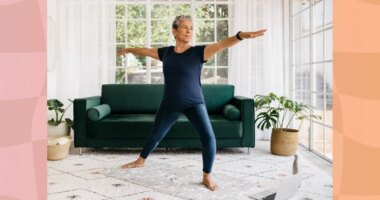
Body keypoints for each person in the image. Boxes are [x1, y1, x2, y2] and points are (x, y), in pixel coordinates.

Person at [117, 15, 266, 191]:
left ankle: (206, 176)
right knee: (156, 134)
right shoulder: (166, 53)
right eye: (185, 27)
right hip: (170, 103)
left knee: (208, 138)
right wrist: (128, 49)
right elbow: (145, 51)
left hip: (194, 102)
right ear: (174, 31)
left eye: (191, 28)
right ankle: (141, 160)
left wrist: (240, 36)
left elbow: (222, 44)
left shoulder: (198, 52)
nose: (189, 31)